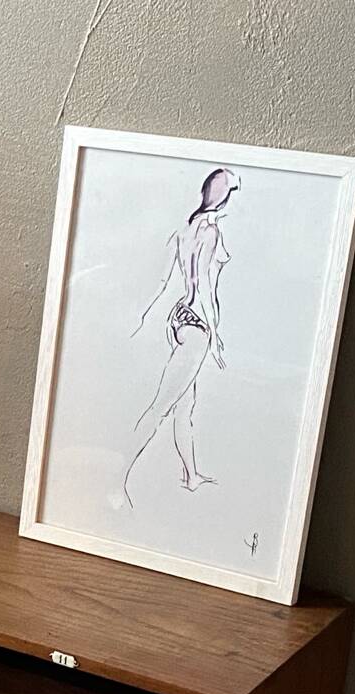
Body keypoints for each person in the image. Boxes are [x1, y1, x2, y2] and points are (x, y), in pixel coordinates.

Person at [119, 167, 239, 504]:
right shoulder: (210, 231)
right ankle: (119, 475)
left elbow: (163, 281)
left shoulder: (186, 227)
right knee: (162, 405)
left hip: (179, 319)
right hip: (197, 324)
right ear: (225, 197)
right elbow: (203, 286)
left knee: (184, 405)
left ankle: (190, 474)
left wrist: (147, 317)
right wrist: (214, 335)